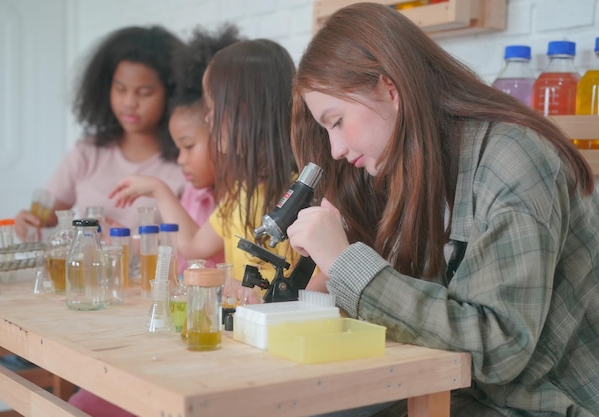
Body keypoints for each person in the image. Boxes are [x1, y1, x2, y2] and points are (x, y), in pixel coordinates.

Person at [287, 3, 599, 417]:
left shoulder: (513, 159)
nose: (336, 150)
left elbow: (499, 349)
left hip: (543, 403)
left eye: (337, 121)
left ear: (389, 89)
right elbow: (429, 316)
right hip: (463, 394)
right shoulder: (424, 171)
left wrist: (346, 263)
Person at [110, 38, 300, 299]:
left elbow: (312, 281)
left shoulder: (299, 195)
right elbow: (193, 246)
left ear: (245, 110)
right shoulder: (241, 192)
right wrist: (157, 190)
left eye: (213, 108)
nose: (208, 119)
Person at [14, 25, 186, 242]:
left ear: (172, 94)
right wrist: (26, 222)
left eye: (144, 93)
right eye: (120, 89)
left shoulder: (185, 162)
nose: (129, 103)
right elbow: (47, 219)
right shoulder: (88, 153)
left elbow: (193, 239)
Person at [107, 24, 241, 272]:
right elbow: (176, 244)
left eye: (189, 146)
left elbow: (192, 246)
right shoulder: (193, 192)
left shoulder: (239, 198)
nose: (180, 160)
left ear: (222, 134)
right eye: (178, 148)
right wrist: (124, 240)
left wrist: (158, 189)